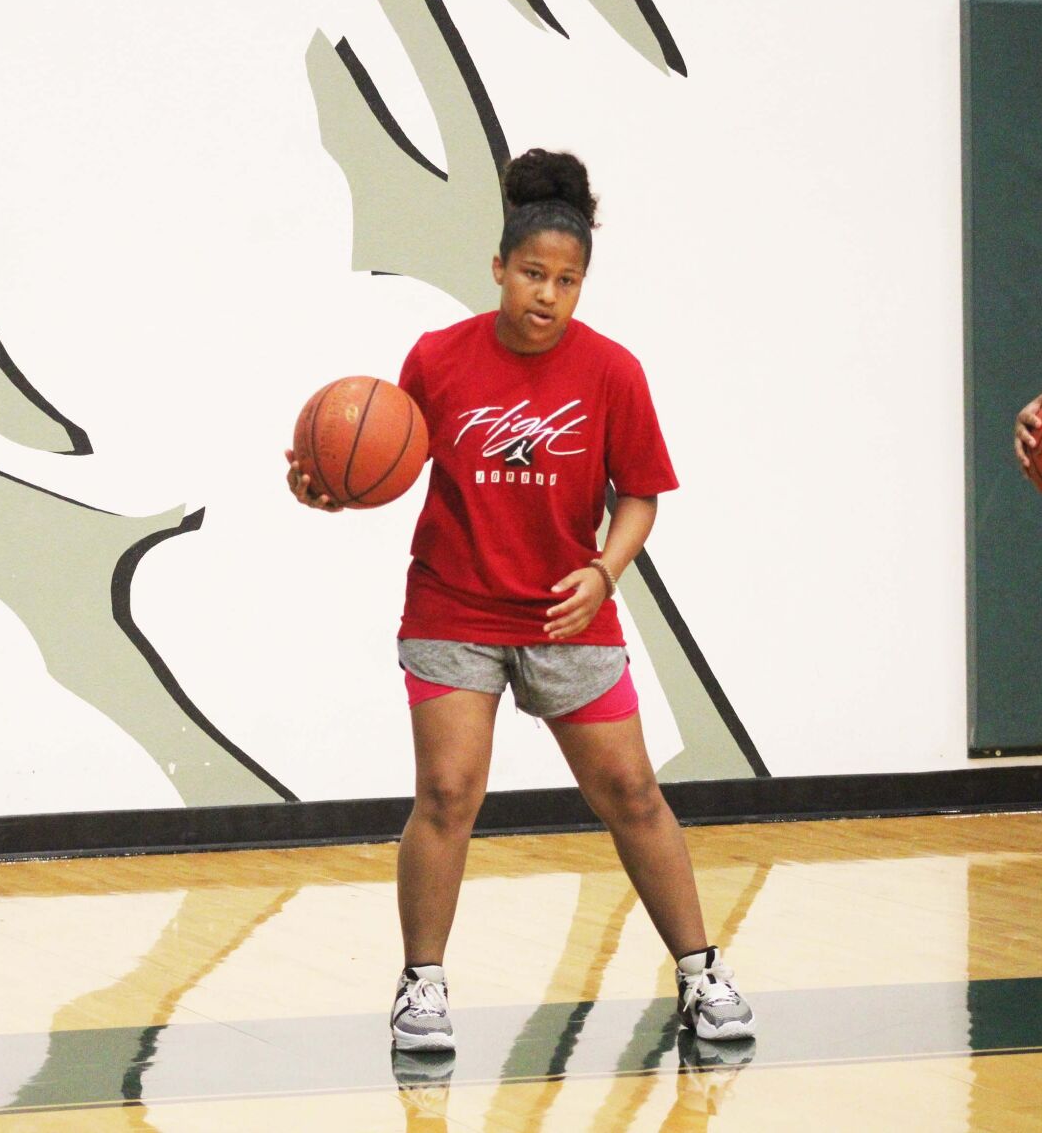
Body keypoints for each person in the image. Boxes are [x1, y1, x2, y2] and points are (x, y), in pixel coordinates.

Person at [286, 148, 754, 1051]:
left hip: (565, 612)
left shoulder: (612, 372)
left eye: (567, 280)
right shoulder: (435, 358)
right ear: (497, 269)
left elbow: (641, 494)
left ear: (584, 286)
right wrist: (330, 487)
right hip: (453, 607)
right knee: (447, 791)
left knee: (631, 790)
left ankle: (702, 973)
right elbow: (388, 461)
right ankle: (420, 989)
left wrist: (603, 570)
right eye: (532, 273)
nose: (547, 293)